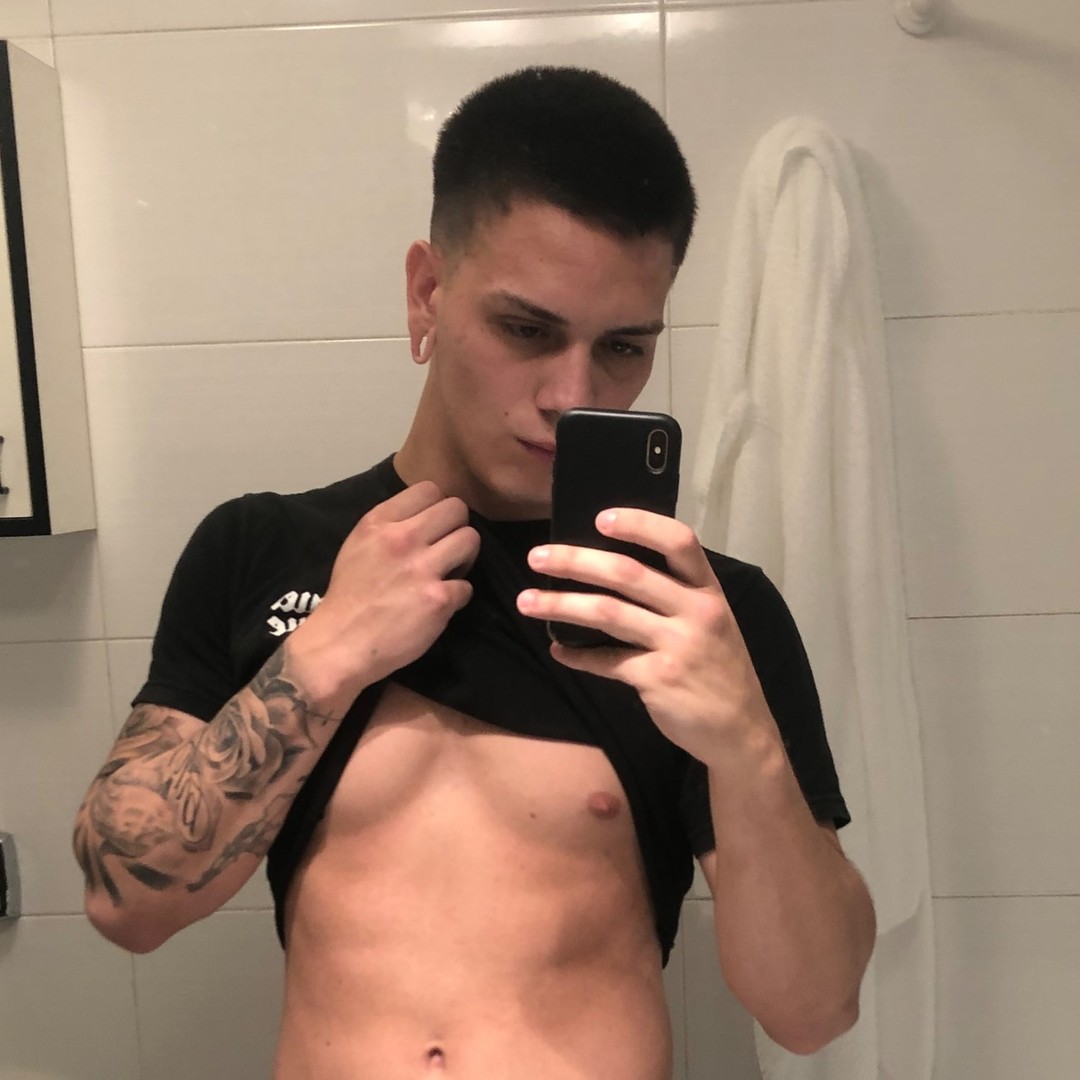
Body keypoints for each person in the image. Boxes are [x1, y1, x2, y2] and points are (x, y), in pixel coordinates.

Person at [73, 66, 875, 1079]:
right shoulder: (258, 548)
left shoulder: (693, 613)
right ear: (428, 291)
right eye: (526, 330)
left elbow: (814, 1011)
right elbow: (125, 902)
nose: (574, 394)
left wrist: (745, 745)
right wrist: (326, 656)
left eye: (623, 348)